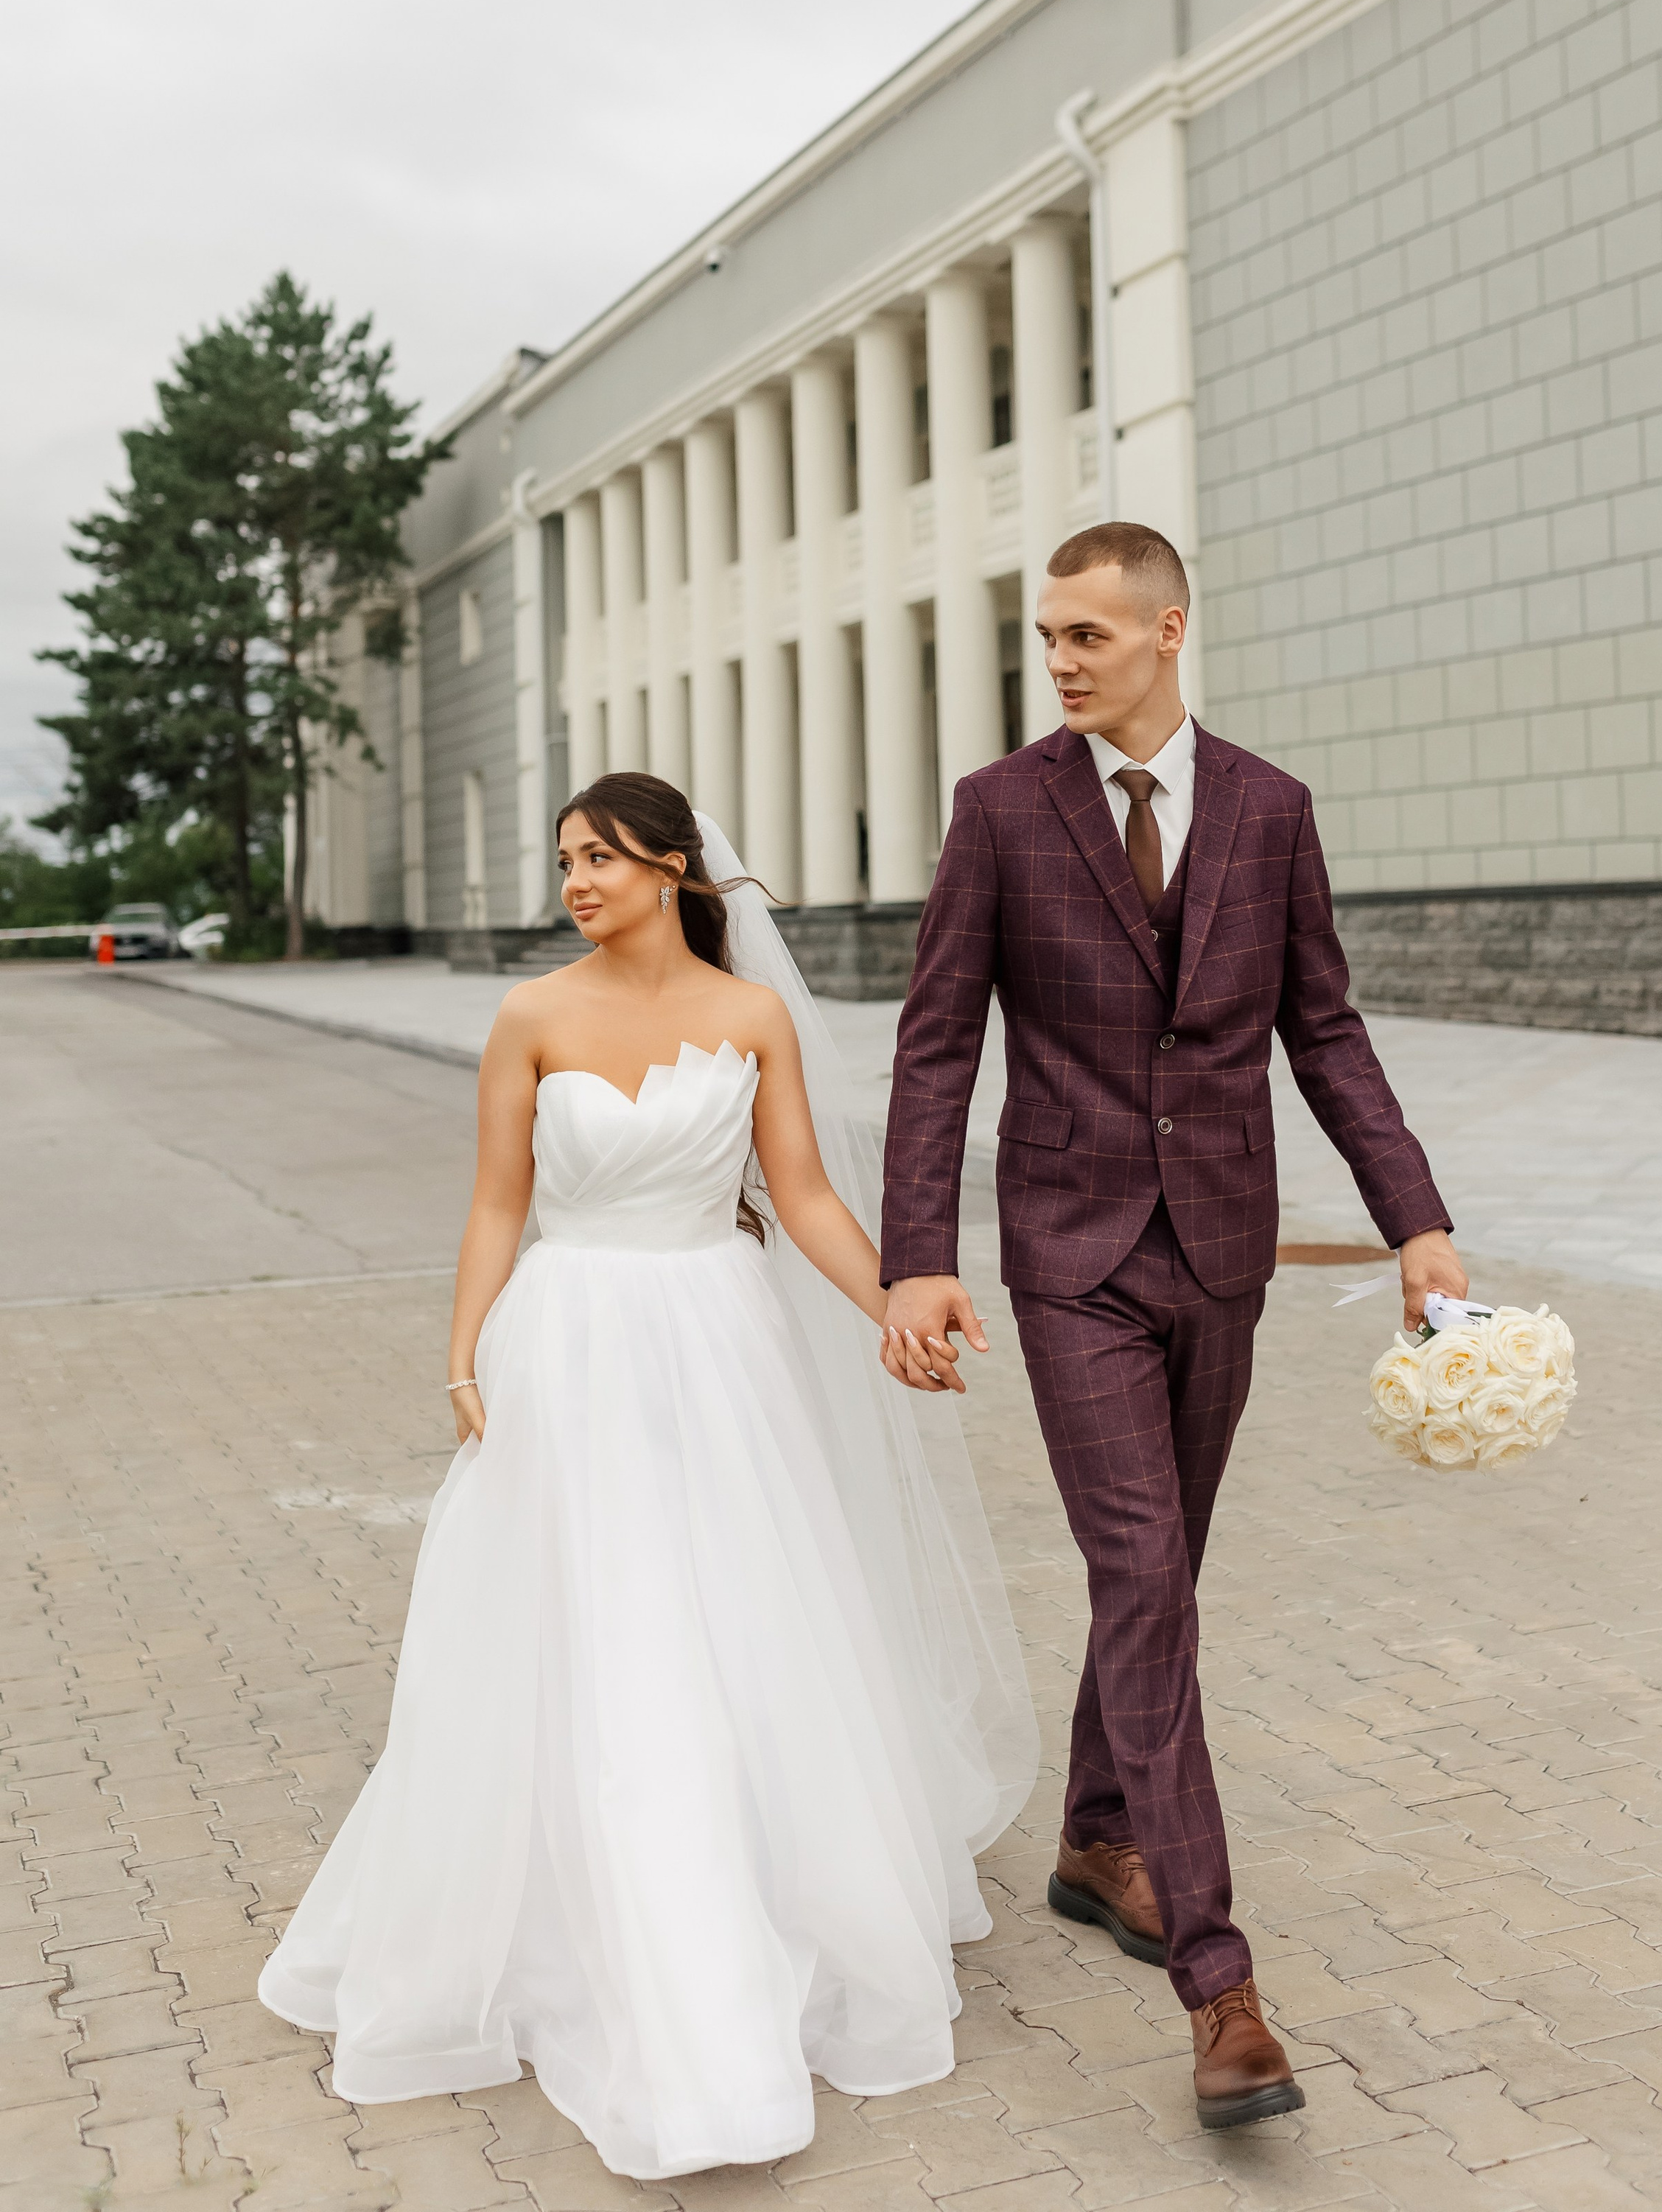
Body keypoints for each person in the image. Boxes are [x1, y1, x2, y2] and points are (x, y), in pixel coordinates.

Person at [259, 775, 1036, 2182]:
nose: (576, 881)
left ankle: (741, 1895)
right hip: (568, 1344)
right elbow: (497, 1202)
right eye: (564, 860)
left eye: (601, 858)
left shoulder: (751, 1018)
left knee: (735, 1613)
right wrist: (460, 1358)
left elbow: (803, 1195)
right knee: (584, 1622)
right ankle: (589, 1918)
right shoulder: (531, 1016)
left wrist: (895, 1308)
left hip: (718, 1347)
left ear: (674, 866)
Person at [877, 520, 1466, 2130]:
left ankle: (1095, 1837)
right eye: (1046, 636)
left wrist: (1414, 1221)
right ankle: (1220, 1986)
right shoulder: (1001, 810)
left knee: (1162, 1575)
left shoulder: (1270, 809)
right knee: (1141, 1576)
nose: (1059, 660)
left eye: (1086, 633)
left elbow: (1324, 1031)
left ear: (1167, 631)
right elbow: (937, 1044)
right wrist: (916, 1257)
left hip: (1219, 1251)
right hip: (1068, 1256)